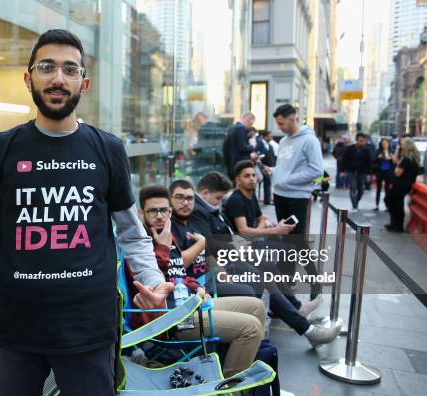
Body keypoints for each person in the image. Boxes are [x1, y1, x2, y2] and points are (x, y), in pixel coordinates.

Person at [0, 29, 173, 396]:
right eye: (47, 67)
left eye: (70, 70)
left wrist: (152, 282)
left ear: (83, 83)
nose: (58, 78)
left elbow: (132, 233)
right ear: (28, 78)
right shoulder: (1, 149)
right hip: (16, 332)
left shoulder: (108, 149)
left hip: (88, 331)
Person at [133, 184, 265, 378]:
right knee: (251, 328)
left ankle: (241, 369)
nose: (159, 216)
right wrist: (163, 246)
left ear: (170, 211)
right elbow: (154, 277)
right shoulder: (140, 245)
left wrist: (198, 287)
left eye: (163, 210)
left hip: (189, 305)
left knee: (257, 306)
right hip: (171, 319)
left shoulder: (167, 235)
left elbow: (180, 273)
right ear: (141, 213)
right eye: (153, 211)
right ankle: (229, 390)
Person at [222, 162, 341, 346]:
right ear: (237, 179)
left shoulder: (250, 195)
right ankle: (293, 306)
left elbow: (260, 219)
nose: (252, 179)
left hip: (246, 245)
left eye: (254, 175)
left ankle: (290, 304)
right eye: (247, 176)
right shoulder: (236, 199)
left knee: (285, 249)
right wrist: (274, 228)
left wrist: (267, 227)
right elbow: (244, 231)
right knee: (271, 261)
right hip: (241, 248)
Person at [271, 104, 323, 298]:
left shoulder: (310, 141)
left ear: (293, 119)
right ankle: (287, 282)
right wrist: (274, 172)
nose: (280, 127)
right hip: (280, 196)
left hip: (297, 198)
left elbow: (316, 170)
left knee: (297, 240)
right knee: (285, 240)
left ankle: (315, 282)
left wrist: (287, 179)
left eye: (282, 123)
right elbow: (283, 167)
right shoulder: (283, 141)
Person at [385, 138, 420, 232]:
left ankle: (397, 225)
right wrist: (397, 150)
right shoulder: (413, 159)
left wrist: (397, 166)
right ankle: (396, 224)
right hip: (406, 185)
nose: (400, 147)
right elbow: (395, 161)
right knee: (397, 203)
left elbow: (397, 173)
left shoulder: (406, 160)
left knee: (391, 201)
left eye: (401, 145)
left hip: (400, 185)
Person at [341, 133, 373, 211]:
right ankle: (354, 206)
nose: (361, 142)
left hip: (362, 173)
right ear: (356, 140)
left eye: (363, 141)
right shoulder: (350, 148)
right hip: (351, 172)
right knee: (353, 188)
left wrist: (369, 174)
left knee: (361, 190)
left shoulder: (366, 150)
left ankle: (356, 202)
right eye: (359, 140)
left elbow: (369, 162)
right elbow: (344, 160)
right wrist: (342, 171)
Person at [223, 112, 259, 180]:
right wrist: (252, 146)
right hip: (240, 164)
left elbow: (225, 148)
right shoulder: (241, 128)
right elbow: (242, 147)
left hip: (231, 164)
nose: (251, 125)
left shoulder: (232, 128)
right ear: (248, 119)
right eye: (251, 123)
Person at [257, 131, 277, 204]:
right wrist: (261, 166)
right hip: (261, 167)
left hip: (269, 167)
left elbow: (272, 157)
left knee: (268, 183)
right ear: (264, 136)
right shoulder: (260, 144)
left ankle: (267, 200)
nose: (271, 137)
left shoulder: (270, 146)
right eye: (269, 136)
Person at [374, 138, 393, 211]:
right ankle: (377, 205)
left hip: (388, 171)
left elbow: (395, 162)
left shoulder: (391, 151)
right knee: (378, 188)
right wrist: (379, 157)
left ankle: (387, 206)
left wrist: (391, 157)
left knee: (387, 189)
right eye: (383, 144)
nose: (384, 145)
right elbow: (374, 160)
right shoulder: (378, 151)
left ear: (388, 144)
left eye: (385, 143)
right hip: (380, 171)